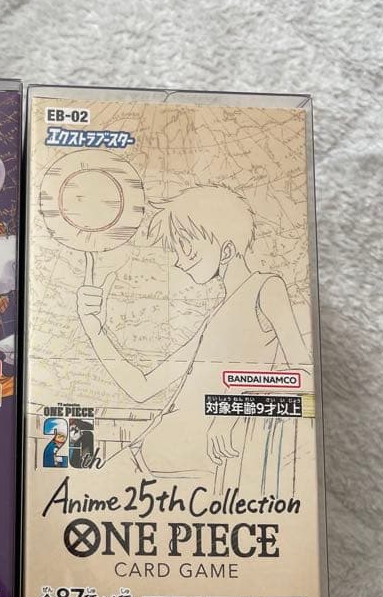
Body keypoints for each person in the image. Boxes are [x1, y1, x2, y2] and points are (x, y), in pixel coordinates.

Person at [76, 184, 310, 475]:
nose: (179, 260)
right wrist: (95, 331)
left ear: (226, 250)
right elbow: (142, 387)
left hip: (183, 471)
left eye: (188, 246)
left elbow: (305, 377)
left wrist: (235, 403)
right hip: (146, 458)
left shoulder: (266, 287)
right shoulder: (216, 316)